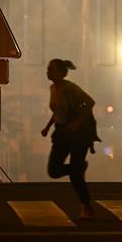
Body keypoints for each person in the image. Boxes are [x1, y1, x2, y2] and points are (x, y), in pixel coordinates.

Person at [40, 58, 100, 219]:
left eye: (51, 69)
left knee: (75, 175)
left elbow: (90, 102)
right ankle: (78, 167)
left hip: (79, 134)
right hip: (61, 133)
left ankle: (87, 207)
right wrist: (47, 127)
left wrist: (76, 123)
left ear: (60, 72)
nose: (48, 72)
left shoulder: (70, 88)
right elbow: (58, 110)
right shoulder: (53, 88)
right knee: (54, 170)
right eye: (48, 69)